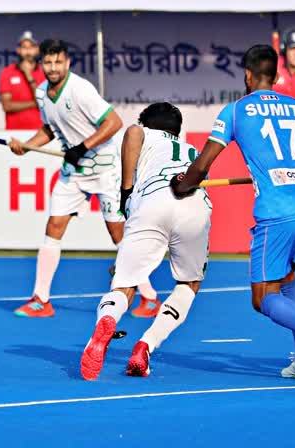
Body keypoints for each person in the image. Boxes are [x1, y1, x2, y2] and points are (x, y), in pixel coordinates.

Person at [170, 44, 295, 384]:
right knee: (287, 279)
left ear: (248, 76)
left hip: (276, 211)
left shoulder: (235, 112)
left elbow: (202, 166)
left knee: (263, 297)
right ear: (277, 76)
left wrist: (181, 186)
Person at [79, 102, 212, 380]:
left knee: (124, 285)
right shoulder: (192, 151)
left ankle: (108, 320)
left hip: (153, 201)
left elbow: (132, 133)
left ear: (149, 123)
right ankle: (145, 346)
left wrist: (126, 191)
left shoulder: (146, 134)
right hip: (195, 207)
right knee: (189, 284)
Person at [9, 38, 126, 318]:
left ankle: (147, 296)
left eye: (58, 62)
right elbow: (49, 130)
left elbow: (114, 123)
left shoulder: (81, 89)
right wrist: (26, 145)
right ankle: (41, 300)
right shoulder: (40, 94)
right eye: (47, 62)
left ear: (67, 63)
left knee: (117, 235)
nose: (53, 67)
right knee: (54, 225)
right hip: (73, 171)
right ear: (41, 64)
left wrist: (82, 147)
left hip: (105, 167)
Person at [0, 31, 46, 130]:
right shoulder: (8, 72)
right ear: (18, 50)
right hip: (14, 132)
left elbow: (44, 104)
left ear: (37, 50)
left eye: (31, 47)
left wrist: (29, 76)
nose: (28, 51)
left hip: (39, 132)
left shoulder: (44, 72)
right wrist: (35, 103)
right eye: (24, 47)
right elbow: (7, 106)